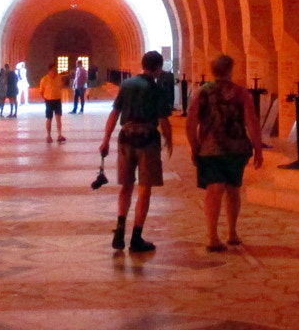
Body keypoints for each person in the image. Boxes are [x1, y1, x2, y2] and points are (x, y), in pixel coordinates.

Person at [99, 50, 175, 253]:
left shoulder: (127, 84)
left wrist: (105, 139)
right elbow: (163, 120)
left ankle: (119, 230)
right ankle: (136, 237)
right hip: (148, 142)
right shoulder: (157, 89)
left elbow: (115, 112)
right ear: (158, 68)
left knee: (126, 186)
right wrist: (169, 139)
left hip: (126, 139)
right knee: (144, 189)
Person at [187, 54, 265, 250]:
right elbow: (251, 121)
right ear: (231, 70)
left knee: (214, 190)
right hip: (236, 148)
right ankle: (232, 232)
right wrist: (258, 147)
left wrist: (194, 145)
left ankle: (212, 236)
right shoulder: (241, 93)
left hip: (210, 148)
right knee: (233, 189)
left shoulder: (201, 92)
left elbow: (191, 121)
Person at [39, 65, 67, 143]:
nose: (54, 72)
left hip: (57, 100)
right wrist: (45, 98)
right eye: (53, 70)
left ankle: (59, 135)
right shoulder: (44, 79)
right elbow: (41, 91)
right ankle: (48, 135)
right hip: (49, 101)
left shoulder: (58, 78)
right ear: (49, 70)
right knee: (49, 118)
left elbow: (60, 87)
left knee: (58, 118)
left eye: (55, 70)